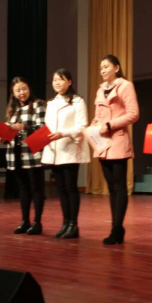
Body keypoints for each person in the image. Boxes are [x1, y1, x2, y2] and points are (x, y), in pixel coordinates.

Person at [90, 55, 139, 245]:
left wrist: (110, 124)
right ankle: (116, 227)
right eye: (101, 67)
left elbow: (133, 114)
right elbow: (98, 116)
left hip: (118, 139)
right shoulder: (100, 90)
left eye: (106, 66)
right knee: (111, 187)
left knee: (119, 186)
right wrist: (94, 125)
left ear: (116, 68)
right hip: (103, 143)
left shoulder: (125, 86)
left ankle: (116, 228)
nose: (102, 70)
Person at [42, 69, 91, 239]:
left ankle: (73, 225)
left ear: (69, 82)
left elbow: (82, 126)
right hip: (54, 150)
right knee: (61, 189)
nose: (57, 83)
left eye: (61, 79)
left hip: (70, 149)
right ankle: (65, 223)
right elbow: (47, 126)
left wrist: (62, 133)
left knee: (70, 187)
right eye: (54, 80)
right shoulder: (51, 103)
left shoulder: (77, 101)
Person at [2, 77, 47, 236]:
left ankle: (37, 223)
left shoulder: (38, 104)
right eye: (18, 90)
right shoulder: (12, 109)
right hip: (15, 154)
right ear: (13, 93)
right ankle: (24, 221)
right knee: (23, 188)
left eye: (24, 89)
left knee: (37, 188)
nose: (22, 93)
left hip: (33, 153)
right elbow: (9, 130)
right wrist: (3, 137)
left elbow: (43, 127)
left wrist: (24, 127)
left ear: (29, 89)